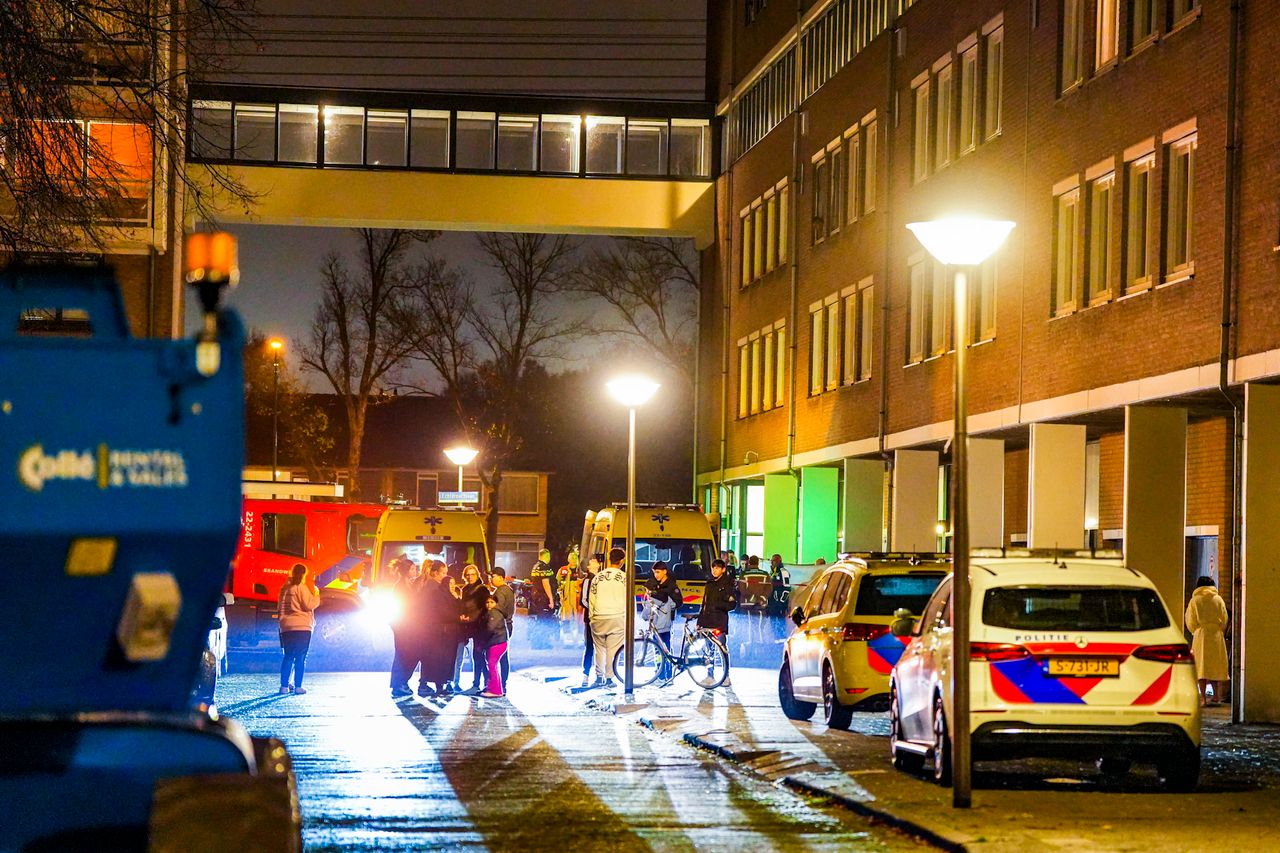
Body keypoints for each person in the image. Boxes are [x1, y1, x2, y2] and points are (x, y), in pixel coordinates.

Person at [415, 561, 460, 697]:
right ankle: (431, 685)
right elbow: (440, 610)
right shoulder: (435, 588)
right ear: (435, 573)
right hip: (436, 628)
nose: (445, 576)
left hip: (430, 627)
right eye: (443, 573)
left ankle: (432, 685)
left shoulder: (427, 585)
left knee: (431, 658)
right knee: (435, 658)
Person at [1185, 576, 1230, 706]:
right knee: (1215, 665)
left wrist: (1196, 631)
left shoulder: (1195, 601)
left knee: (1201, 666)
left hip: (1201, 635)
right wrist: (1218, 629)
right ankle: (1216, 696)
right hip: (1216, 635)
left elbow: (1190, 620)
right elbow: (1224, 618)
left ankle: (1203, 698)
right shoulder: (1218, 599)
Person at [277, 563, 321, 695]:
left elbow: (279, 607)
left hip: (286, 626)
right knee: (301, 656)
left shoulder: (284, 589)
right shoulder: (301, 588)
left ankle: (284, 686)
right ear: (304, 574)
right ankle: (298, 687)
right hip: (302, 626)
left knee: (288, 656)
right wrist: (317, 596)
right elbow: (309, 605)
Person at [588, 548, 628, 687]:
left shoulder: (597, 577)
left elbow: (591, 598)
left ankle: (599, 678)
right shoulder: (624, 578)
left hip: (598, 617)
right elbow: (630, 600)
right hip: (617, 616)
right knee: (613, 649)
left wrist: (592, 616)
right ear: (622, 561)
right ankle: (609, 678)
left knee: (599, 648)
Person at [698, 559, 738, 684]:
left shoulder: (728, 584)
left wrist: (718, 606)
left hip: (719, 621)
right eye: (713, 568)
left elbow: (732, 604)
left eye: (717, 568)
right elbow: (704, 603)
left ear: (723, 569)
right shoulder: (709, 584)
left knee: (721, 648)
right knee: (708, 650)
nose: (714, 570)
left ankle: (726, 676)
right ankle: (710, 675)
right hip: (707, 621)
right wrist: (700, 620)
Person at [389, 558, 423, 697]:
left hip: (409, 627)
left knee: (408, 655)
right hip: (403, 627)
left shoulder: (409, 584)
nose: (415, 571)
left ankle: (401, 682)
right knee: (403, 655)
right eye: (413, 569)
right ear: (407, 571)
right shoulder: (400, 586)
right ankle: (398, 684)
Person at [454, 564, 490, 693]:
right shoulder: (465, 589)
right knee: (476, 656)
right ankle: (478, 684)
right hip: (468, 627)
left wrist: (472, 618)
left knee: (479, 655)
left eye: (472, 574)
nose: (470, 577)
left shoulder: (482, 590)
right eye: (467, 575)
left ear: (477, 575)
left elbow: (484, 609)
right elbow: (464, 607)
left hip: (479, 627)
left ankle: (484, 683)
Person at [645, 560, 681, 681]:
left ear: (665, 572)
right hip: (656, 620)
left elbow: (678, 602)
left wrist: (668, 605)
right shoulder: (655, 583)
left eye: (658, 572)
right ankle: (660, 670)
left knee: (665, 646)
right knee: (657, 648)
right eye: (655, 572)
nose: (656, 575)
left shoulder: (671, 585)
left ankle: (667, 671)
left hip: (665, 621)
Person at [489, 567, 516, 684]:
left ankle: (499, 684)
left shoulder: (501, 591)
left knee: (496, 657)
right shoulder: (508, 590)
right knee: (503, 656)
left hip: (500, 627)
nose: (490, 579)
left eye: (493, 576)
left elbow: (497, 609)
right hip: (507, 625)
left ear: (500, 577)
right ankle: (502, 683)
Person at [480, 595, 510, 698]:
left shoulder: (494, 612)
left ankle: (496, 691)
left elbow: (490, 628)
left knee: (492, 665)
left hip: (497, 642)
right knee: (493, 665)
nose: (489, 604)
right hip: (499, 641)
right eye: (487, 602)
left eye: (492, 602)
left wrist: (483, 639)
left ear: (496, 603)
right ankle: (494, 689)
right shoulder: (496, 612)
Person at [578, 554, 600, 687]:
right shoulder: (588, 580)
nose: (596, 562)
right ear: (588, 566)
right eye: (593, 561)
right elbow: (583, 600)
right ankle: (586, 674)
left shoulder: (600, 578)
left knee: (600, 648)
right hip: (591, 618)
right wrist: (594, 611)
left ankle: (599, 674)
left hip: (599, 617)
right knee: (590, 647)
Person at [529, 548, 557, 649]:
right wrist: (551, 599)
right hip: (543, 598)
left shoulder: (535, 566)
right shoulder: (544, 567)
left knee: (539, 619)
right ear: (547, 556)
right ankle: (542, 643)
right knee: (544, 620)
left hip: (536, 597)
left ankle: (537, 642)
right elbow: (546, 584)